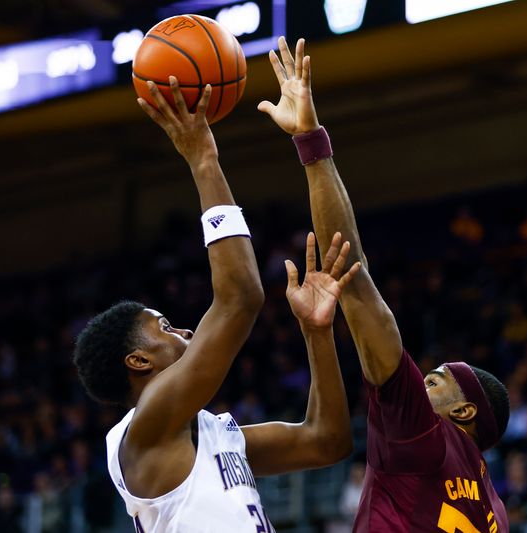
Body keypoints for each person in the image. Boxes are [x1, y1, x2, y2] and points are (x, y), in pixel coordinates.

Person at [73, 79, 360, 532]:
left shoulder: (210, 433)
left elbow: (326, 442)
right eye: (164, 326)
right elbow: (240, 298)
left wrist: (317, 334)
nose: (184, 331)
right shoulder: (146, 426)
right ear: (138, 360)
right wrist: (203, 160)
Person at [259, 38, 510, 532]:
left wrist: (310, 139)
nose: (420, 379)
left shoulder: (424, 433)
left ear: (461, 411)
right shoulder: (494, 510)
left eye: (433, 380)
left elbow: (351, 275)